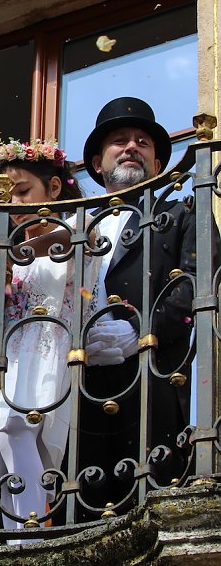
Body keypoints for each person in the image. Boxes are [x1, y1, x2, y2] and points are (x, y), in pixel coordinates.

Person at [0, 138, 89, 536]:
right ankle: (10, 536)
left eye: (21, 191)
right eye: (3, 195)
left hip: (41, 350)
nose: (13, 204)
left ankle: (30, 535)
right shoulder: (0, 247)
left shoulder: (75, 227)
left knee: (19, 430)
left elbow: (60, 244)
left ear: (53, 188)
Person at [78, 97, 196, 515]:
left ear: (158, 164)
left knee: (152, 504)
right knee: (85, 505)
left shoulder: (181, 213)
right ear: (97, 162)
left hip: (152, 378)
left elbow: (195, 287)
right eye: (119, 140)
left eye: (142, 141)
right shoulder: (74, 226)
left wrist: (140, 331)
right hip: (80, 382)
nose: (131, 147)